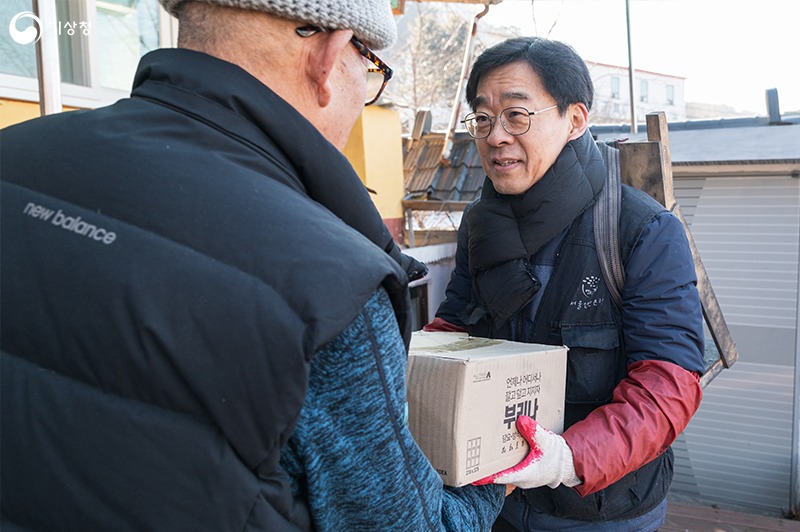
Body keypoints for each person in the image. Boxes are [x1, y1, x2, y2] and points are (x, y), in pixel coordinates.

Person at [0, 0, 506, 529]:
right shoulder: (331, 284)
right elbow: (401, 522)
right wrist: (495, 479)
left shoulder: (14, 156)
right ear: (331, 57)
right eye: (372, 69)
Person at [424, 37, 705, 531]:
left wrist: (567, 458)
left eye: (516, 114)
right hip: (494, 499)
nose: (495, 137)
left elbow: (668, 384)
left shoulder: (640, 229)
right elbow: (458, 324)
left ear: (575, 120)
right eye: (483, 118)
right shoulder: (479, 224)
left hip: (601, 509)